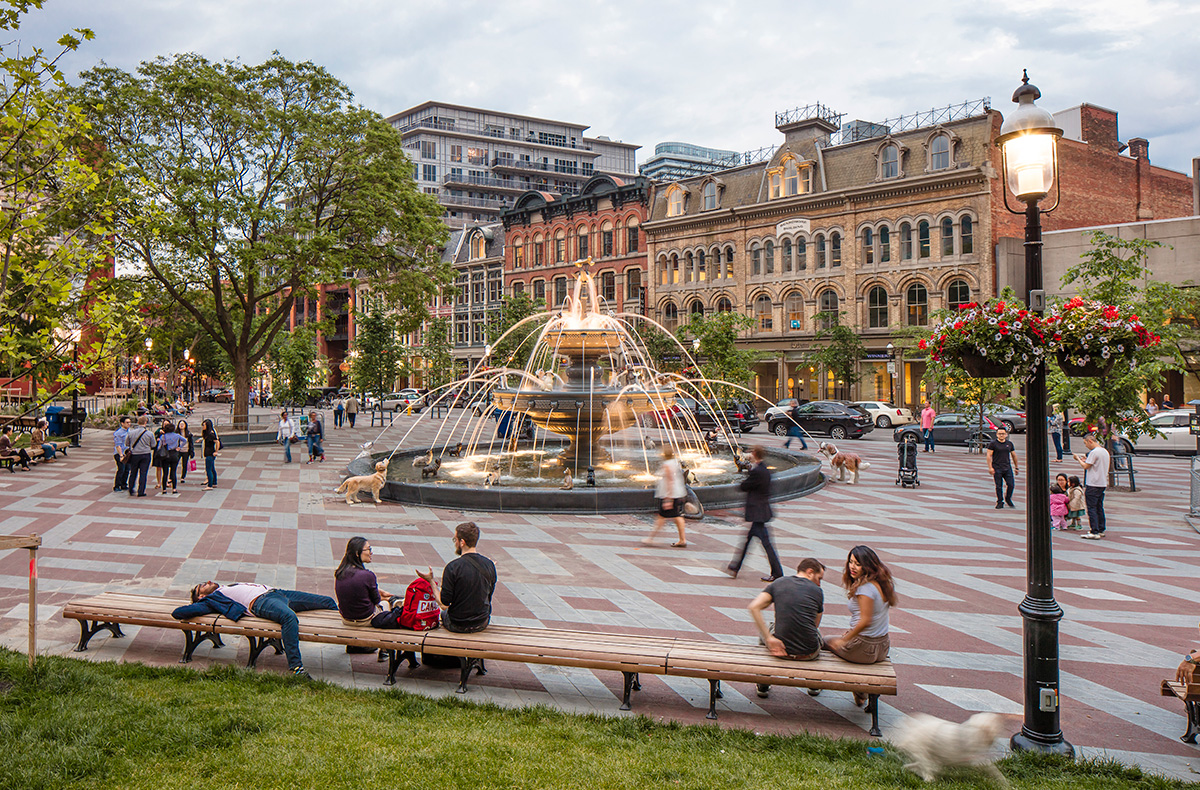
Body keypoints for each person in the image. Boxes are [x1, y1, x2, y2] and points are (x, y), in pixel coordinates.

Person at [173, 581, 337, 679]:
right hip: (261, 602)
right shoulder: (211, 600)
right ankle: (296, 667)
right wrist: (197, 604)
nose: (208, 582)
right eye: (202, 586)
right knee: (289, 618)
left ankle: (355, 643)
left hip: (277, 593)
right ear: (201, 597)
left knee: (328, 601)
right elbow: (179, 613)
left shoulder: (222, 589)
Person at [824, 545, 897, 707]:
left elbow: (865, 621)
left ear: (868, 565)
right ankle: (860, 691)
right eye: (850, 562)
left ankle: (817, 684)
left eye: (857, 563)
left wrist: (845, 640)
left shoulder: (865, 589)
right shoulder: (883, 583)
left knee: (824, 641)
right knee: (836, 640)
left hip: (864, 649)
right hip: (882, 646)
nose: (852, 567)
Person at [750, 558, 826, 700]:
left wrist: (769, 638)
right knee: (818, 635)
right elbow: (815, 625)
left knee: (766, 631)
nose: (819, 583)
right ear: (810, 572)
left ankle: (763, 682)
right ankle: (814, 683)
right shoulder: (818, 591)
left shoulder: (778, 583)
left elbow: (754, 607)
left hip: (780, 650)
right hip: (808, 654)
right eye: (819, 578)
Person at [417, 521, 497, 633]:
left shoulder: (452, 568)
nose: (455, 543)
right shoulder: (489, 565)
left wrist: (430, 580)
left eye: (455, 540)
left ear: (462, 542)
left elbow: (443, 603)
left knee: (443, 613)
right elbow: (489, 595)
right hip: (482, 622)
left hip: (458, 624)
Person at [725, 445, 784, 582]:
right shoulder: (765, 469)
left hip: (758, 512)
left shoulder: (757, 471)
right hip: (762, 511)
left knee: (766, 544)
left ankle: (777, 573)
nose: (749, 454)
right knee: (750, 541)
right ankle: (735, 566)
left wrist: (744, 480)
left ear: (755, 454)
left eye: (751, 452)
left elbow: (745, 486)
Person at [644, 447, 687, 547]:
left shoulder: (667, 465)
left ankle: (651, 538)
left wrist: (668, 499)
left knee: (662, 517)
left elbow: (670, 481)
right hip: (677, 493)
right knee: (676, 516)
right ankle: (682, 539)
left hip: (670, 494)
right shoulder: (674, 462)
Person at [1075, 433, 1109, 540]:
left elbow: (1086, 466)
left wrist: (1078, 459)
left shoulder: (1094, 452)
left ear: (1090, 441)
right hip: (1102, 482)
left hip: (1093, 483)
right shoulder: (1104, 451)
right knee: (1099, 506)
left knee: (1092, 507)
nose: (1086, 446)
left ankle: (1094, 530)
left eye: (1085, 443)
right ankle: (1100, 529)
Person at [986, 426, 1018, 509]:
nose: (1001, 435)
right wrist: (990, 467)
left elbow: (1014, 455)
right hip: (997, 467)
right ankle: (1000, 501)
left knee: (1011, 484)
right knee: (999, 486)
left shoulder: (1009, 444)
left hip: (1007, 467)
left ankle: (1008, 498)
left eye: (1003, 434)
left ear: (1006, 434)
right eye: (999, 434)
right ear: (996, 435)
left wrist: (1016, 467)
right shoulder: (993, 444)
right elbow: (989, 455)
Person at [124, 415, 155, 496]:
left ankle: (131, 489)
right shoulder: (149, 434)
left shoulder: (131, 433)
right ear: (145, 422)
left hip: (134, 454)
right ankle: (141, 491)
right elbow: (153, 444)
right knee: (143, 473)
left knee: (133, 472)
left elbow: (127, 443)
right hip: (145, 454)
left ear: (138, 422)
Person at [157, 420, 185, 494]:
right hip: (174, 453)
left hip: (166, 454)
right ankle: (174, 488)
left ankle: (164, 489)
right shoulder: (176, 435)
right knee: (173, 471)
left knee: (165, 472)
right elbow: (184, 440)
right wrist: (179, 447)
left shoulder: (163, 436)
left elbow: (159, 447)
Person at [112, 416, 131, 491]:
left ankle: (124, 484)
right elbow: (118, 445)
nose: (129, 424)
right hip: (120, 453)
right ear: (122, 423)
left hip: (128, 453)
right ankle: (117, 485)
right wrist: (121, 455)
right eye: (127, 422)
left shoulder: (130, 431)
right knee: (121, 469)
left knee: (127, 469)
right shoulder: (118, 433)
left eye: (129, 422)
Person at [201, 418, 219, 490]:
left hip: (210, 453)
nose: (203, 427)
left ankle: (210, 485)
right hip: (208, 452)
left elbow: (217, 442)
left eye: (204, 425)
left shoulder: (211, 434)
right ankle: (214, 482)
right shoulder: (207, 434)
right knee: (212, 468)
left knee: (208, 469)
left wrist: (216, 451)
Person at [177, 420, 195, 484]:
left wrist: (191, 451)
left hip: (186, 450)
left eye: (183, 424)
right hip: (178, 450)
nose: (181, 425)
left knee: (184, 464)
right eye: (180, 424)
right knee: (174, 463)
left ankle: (183, 477)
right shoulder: (176, 433)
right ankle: (171, 477)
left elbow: (191, 443)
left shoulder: (188, 434)